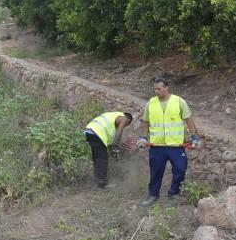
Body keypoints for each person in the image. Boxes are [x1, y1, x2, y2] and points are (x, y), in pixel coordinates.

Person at [137, 77, 201, 206]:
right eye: (155, 89)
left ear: (166, 88)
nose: (156, 91)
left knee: (180, 169)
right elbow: (146, 121)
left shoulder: (179, 102)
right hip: (157, 146)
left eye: (159, 89)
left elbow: (188, 119)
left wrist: (195, 136)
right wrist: (144, 137)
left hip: (175, 145)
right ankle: (153, 195)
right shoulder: (151, 103)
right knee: (156, 172)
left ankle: (174, 192)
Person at [85, 111, 133, 189]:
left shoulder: (113, 115)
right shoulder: (124, 118)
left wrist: (112, 150)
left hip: (89, 131)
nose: (124, 126)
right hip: (97, 133)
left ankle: (98, 180)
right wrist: (116, 148)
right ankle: (103, 184)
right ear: (128, 121)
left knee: (97, 158)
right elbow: (119, 133)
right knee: (102, 159)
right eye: (126, 125)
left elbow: (110, 139)